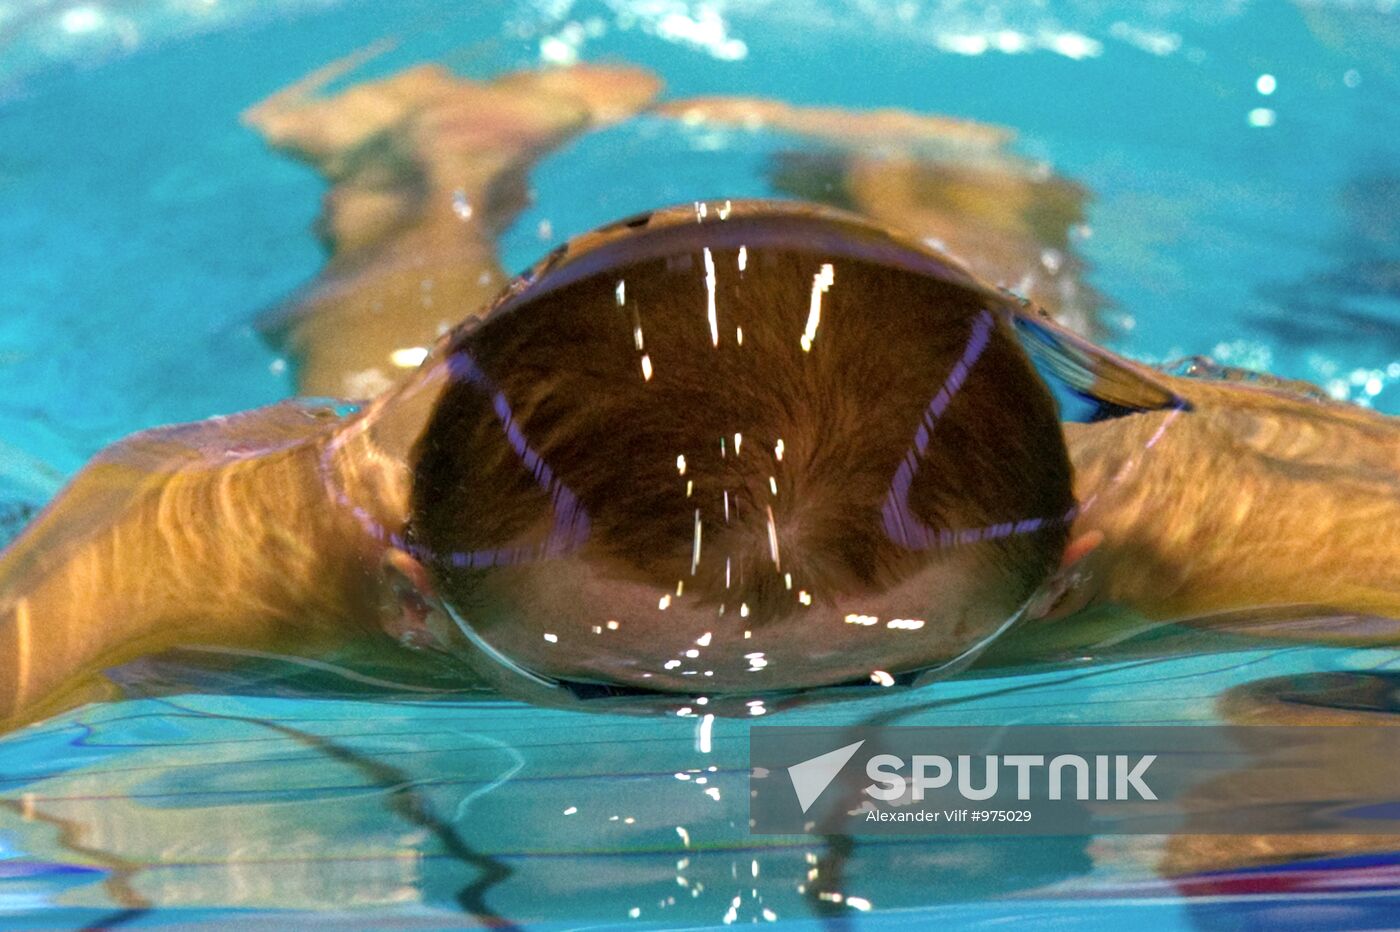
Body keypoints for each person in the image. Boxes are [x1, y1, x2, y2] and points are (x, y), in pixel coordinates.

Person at [1, 62, 1396, 732]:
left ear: (1070, 576)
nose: (745, 732)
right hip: (470, 441)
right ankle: (427, 164)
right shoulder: (226, 555)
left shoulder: (1242, 524)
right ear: (410, 595)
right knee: (374, 377)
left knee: (1019, 308)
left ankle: (939, 167)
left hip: (977, 404)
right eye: (607, 689)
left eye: (879, 678)